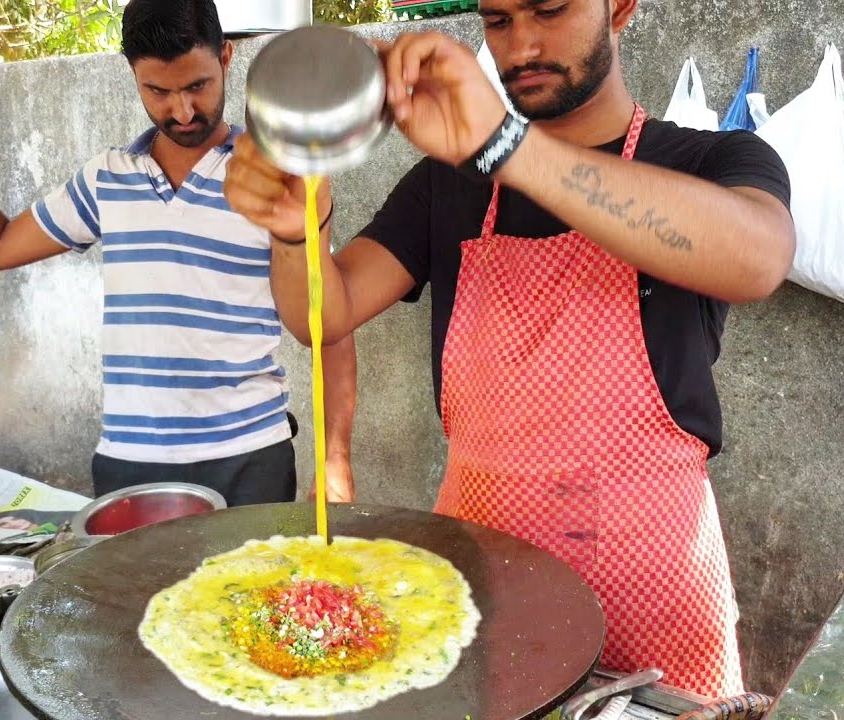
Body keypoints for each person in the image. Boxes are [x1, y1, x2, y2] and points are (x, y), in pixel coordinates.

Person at [224, 0, 795, 697]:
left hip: (653, 597)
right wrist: (294, 233)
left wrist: (509, 149)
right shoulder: (445, 186)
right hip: (482, 585)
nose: (521, 44)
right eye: (497, 21)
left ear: (620, 7)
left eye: (549, 10)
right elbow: (324, 314)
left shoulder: (710, 162)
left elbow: (758, 258)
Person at [0, 0, 357, 506]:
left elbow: (332, 326)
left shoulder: (276, 179)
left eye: (197, 86)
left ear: (226, 57)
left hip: (251, 458)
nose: (183, 111)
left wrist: (335, 454)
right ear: (131, 73)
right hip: (131, 463)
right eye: (158, 91)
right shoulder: (108, 179)